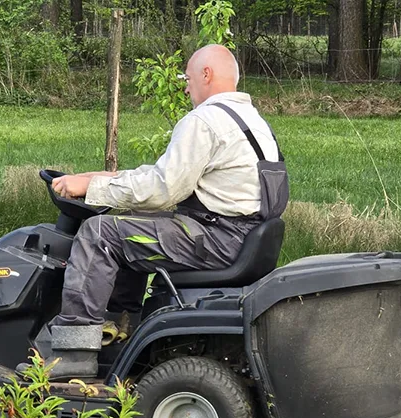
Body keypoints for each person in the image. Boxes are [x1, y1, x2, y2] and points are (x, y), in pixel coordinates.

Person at [38, 43, 285, 379]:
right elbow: (164, 176)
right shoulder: (252, 123)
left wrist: (93, 190)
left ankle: (73, 351)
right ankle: (119, 329)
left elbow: (162, 189)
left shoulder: (205, 120)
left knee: (100, 233)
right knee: (129, 226)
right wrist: (96, 178)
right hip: (235, 237)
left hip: (217, 239)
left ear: (206, 74)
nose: (185, 86)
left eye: (188, 77)